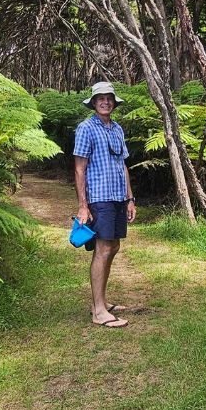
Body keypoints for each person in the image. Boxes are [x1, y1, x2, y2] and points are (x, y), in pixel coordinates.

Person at [73, 81, 136, 328]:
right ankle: (98, 311)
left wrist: (130, 198)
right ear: (93, 102)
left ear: (114, 101)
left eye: (109, 97)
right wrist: (82, 205)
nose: (105, 101)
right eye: (101, 98)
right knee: (103, 249)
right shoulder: (85, 128)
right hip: (99, 198)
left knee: (114, 246)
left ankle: (100, 301)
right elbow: (79, 169)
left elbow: (123, 164)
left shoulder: (117, 129)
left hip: (118, 197)